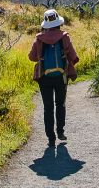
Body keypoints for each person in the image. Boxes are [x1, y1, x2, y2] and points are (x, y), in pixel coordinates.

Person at [28, 9, 79, 146]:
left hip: (44, 77)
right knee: (60, 104)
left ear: (45, 24)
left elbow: (32, 57)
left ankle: (51, 138)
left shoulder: (39, 38)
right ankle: (60, 131)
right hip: (61, 76)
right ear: (58, 23)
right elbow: (73, 57)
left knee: (48, 107)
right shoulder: (65, 36)